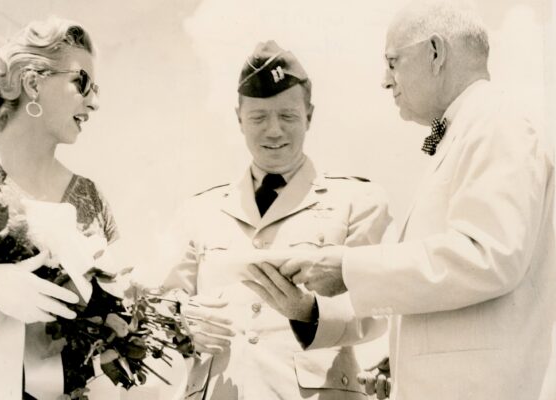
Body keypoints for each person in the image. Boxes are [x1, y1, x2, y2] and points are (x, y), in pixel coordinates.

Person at [248, 2, 556, 399]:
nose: (385, 81)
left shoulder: (497, 125)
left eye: (393, 62)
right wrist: (404, 358)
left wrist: (348, 268)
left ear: (435, 52)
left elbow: (488, 256)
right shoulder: (473, 129)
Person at [162, 40, 391, 400]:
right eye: (258, 117)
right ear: (239, 118)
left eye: (287, 116)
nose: (273, 131)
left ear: (309, 116)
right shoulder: (198, 211)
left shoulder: (358, 201)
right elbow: (159, 304)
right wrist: (183, 321)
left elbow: (380, 307)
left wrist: (309, 311)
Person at [0, 17, 120, 399]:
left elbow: (112, 318)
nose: (94, 102)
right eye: (82, 82)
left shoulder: (91, 199)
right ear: (33, 83)